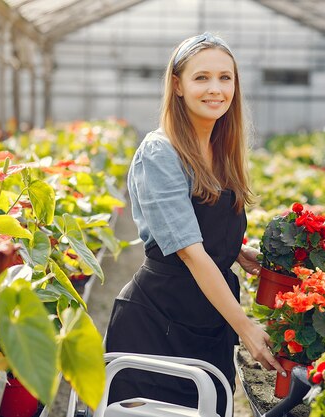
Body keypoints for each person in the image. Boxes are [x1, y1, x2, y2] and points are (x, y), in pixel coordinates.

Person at [105, 32, 286, 416]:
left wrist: (234, 251)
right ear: (178, 85)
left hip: (207, 317)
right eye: (201, 77)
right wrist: (247, 329)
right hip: (158, 320)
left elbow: (197, 223)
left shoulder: (220, 149)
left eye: (226, 78)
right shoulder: (160, 152)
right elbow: (189, 251)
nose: (216, 89)